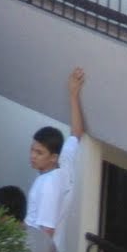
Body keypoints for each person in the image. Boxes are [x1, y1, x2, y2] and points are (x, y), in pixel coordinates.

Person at [28, 68, 87, 242]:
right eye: (32, 150)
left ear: (53, 157)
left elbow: (46, 231)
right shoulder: (64, 161)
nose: (33, 156)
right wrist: (73, 94)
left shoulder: (47, 184)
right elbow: (76, 133)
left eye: (39, 153)